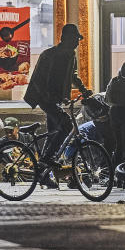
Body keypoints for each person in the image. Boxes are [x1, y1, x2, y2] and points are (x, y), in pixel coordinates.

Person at [23, 23, 91, 163]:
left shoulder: (70, 55)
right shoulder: (51, 55)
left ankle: (44, 172)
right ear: (66, 38)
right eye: (75, 39)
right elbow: (44, 79)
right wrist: (52, 97)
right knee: (67, 125)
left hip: (54, 100)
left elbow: (73, 75)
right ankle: (48, 159)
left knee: (54, 132)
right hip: (44, 97)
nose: (78, 42)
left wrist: (83, 90)